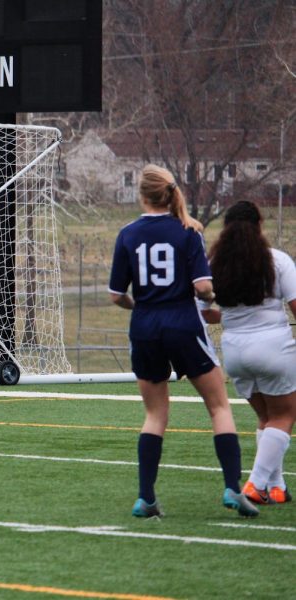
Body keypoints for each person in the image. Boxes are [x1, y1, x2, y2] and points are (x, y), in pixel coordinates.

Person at [108, 164, 257, 518]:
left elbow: (116, 295)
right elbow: (203, 287)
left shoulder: (127, 234)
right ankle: (233, 488)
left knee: (155, 413)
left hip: (144, 327)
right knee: (219, 406)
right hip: (182, 323)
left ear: (142, 195)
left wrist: (139, 305)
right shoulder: (188, 230)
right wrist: (209, 298)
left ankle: (146, 497)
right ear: (171, 193)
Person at [205, 200, 296, 505]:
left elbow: (203, 311)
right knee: (284, 415)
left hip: (234, 351)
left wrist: (229, 318)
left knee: (266, 418)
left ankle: (277, 486)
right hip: (273, 346)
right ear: (259, 226)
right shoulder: (277, 260)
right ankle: (255, 485)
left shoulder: (215, 264)